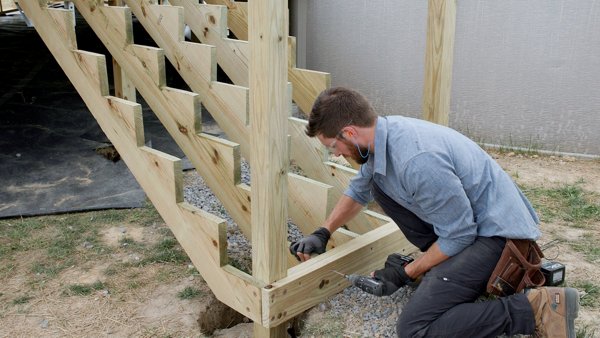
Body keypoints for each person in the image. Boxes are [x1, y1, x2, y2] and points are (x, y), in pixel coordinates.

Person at [289, 87, 579, 337]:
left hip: (499, 239)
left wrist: (407, 272)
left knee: (415, 328)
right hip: (473, 231)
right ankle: (448, 270)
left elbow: (460, 234)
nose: (336, 153)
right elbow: (358, 190)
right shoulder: (383, 139)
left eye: (333, 146)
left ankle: (537, 309)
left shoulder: (417, 161)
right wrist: (323, 232)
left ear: (350, 132)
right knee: (378, 184)